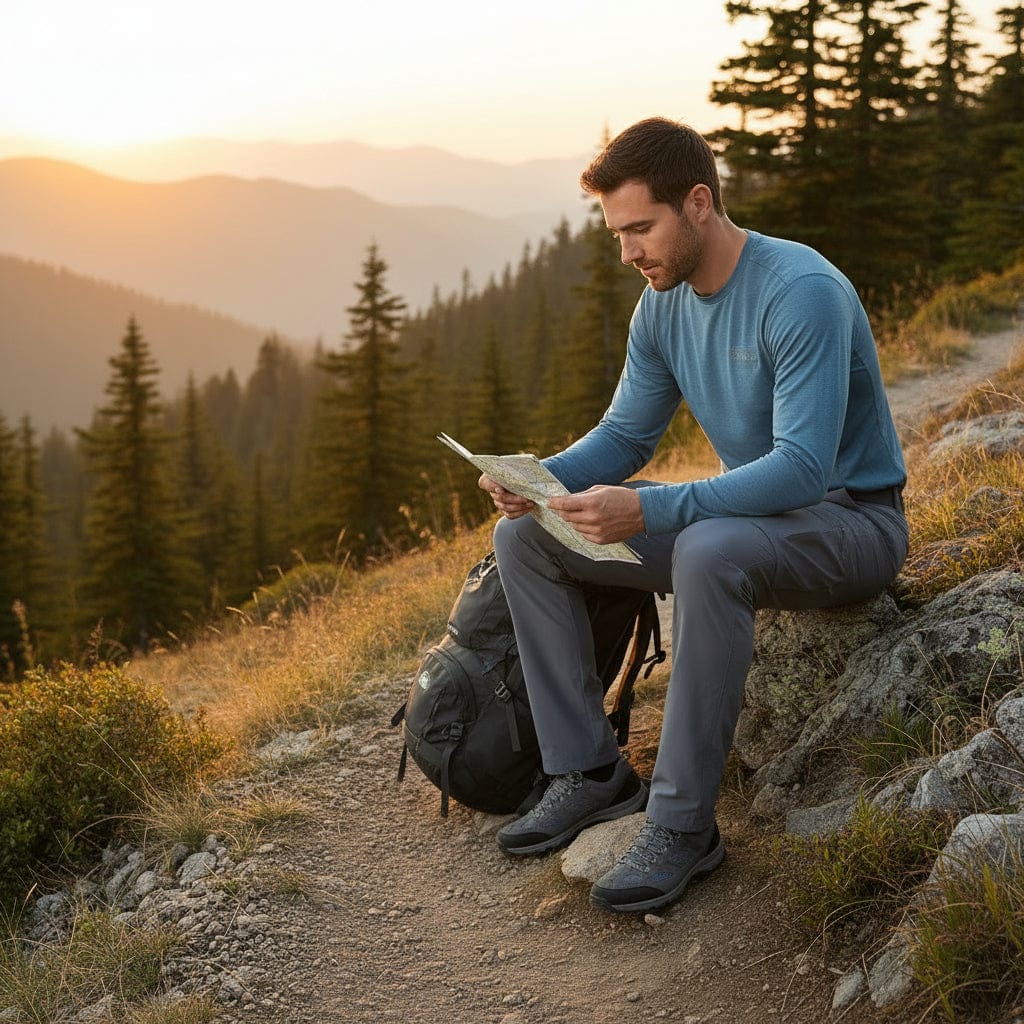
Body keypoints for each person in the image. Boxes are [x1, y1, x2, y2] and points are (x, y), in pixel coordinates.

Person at [478, 117, 908, 915]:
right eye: (617, 233)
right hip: (755, 523)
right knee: (526, 536)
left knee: (707, 549)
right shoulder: (662, 306)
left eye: (641, 228)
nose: (627, 252)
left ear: (699, 204)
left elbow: (804, 468)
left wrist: (650, 509)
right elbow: (626, 435)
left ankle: (682, 827)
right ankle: (589, 770)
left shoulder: (800, 292)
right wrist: (538, 482)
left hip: (852, 524)